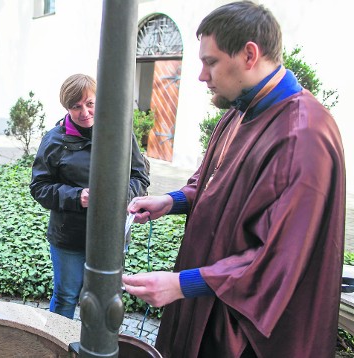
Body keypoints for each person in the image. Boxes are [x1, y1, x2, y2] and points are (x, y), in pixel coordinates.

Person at [122, 1, 345, 357]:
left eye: (210, 62)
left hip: (246, 331)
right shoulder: (239, 111)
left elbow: (279, 258)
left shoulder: (303, 136)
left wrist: (183, 283)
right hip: (207, 301)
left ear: (249, 55)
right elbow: (214, 182)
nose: (201, 75)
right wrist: (173, 200)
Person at [31, 73, 150, 319]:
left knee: (104, 297)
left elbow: (140, 176)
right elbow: (39, 187)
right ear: (67, 107)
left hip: (111, 237)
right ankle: (58, 348)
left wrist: (118, 197)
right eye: (76, 106)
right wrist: (78, 197)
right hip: (69, 237)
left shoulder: (120, 133)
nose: (84, 111)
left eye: (90, 103)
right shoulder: (54, 140)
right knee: (65, 297)